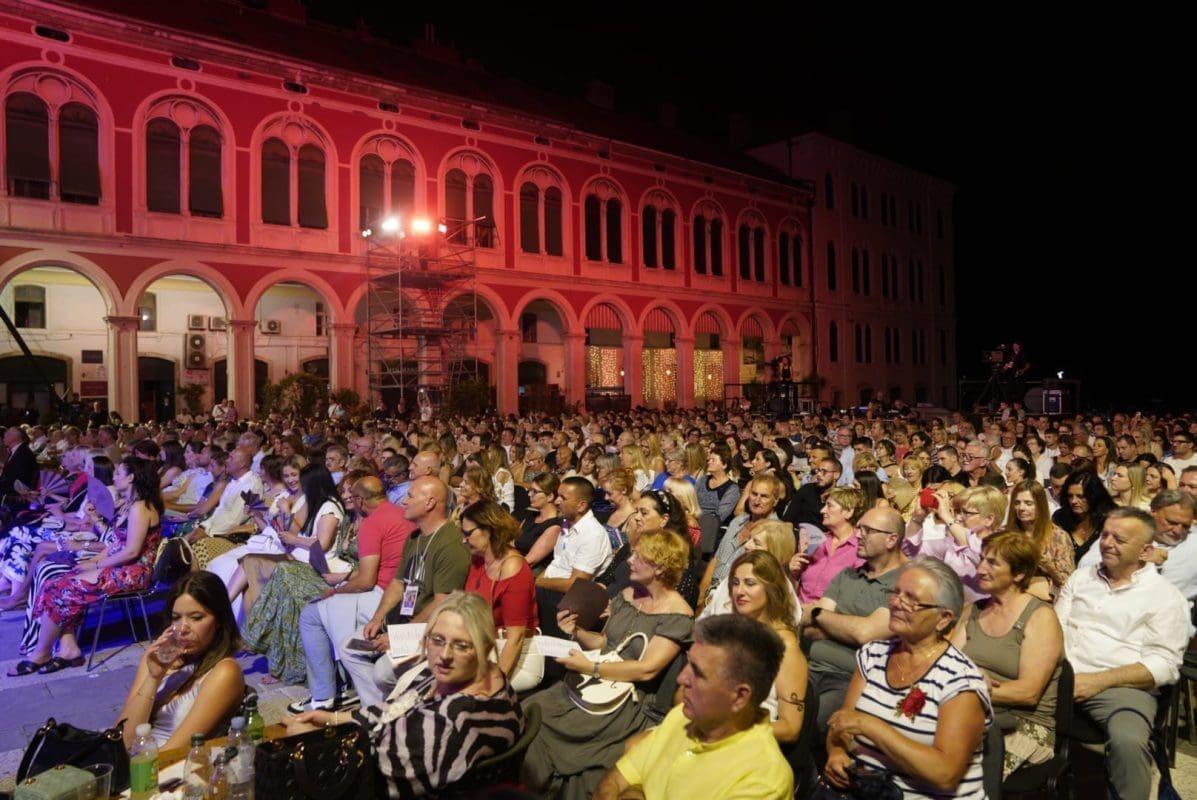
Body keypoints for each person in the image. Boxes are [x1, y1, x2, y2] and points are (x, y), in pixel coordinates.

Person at [284, 591, 523, 798]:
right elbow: (397, 707)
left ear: (485, 647)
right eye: (437, 640)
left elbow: (366, 777)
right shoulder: (483, 676)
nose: (445, 655)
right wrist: (335, 719)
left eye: (461, 645)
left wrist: (314, 744)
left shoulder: (446, 723)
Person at [522, 529, 694, 800]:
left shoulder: (678, 615)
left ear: (660, 567)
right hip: (596, 683)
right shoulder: (628, 593)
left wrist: (590, 668)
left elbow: (647, 669)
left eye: (639, 557)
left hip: (626, 701)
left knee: (556, 731)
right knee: (533, 708)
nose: (629, 561)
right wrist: (577, 632)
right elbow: (606, 643)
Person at [825, 557, 992, 799]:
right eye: (895, 593)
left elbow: (945, 774)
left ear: (943, 618)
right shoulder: (873, 655)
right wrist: (837, 753)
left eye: (911, 600)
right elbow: (843, 723)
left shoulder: (960, 681)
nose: (895, 603)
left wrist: (870, 726)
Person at [1055, 508, 1189, 800]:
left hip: (1120, 686)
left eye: (1119, 539)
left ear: (1145, 551)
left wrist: (1099, 681)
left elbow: (1164, 664)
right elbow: (1057, 627)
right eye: (1105, 535)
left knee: (1128, 740)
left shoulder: (1165, 597)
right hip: (1061, 674)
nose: (1106, 543)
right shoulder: (1082, 577)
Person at [594, 614, 793, 800]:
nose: (681, 678)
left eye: (698, 673)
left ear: (740, 696)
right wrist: (636, 792)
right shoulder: (681, 718)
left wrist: (635, 790)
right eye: (688, 664)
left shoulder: (763, 781)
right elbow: (613, 781)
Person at [11, 457, 162, 675]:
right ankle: (68, 647)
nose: (114, 477)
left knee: (61, 588)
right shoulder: (129, 505)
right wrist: (92, 561)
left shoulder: (141, 507)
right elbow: (116, 545)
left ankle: (41, 653)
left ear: (131, 478)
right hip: (121, 565)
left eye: (119, 473)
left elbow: (131, 551)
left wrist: (96, 564)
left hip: (133, 572)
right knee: (53, 582)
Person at [954, 531, 1063, 778]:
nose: (980, 569)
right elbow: (947, 663)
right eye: (982, 559)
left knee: (957, 772)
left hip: (1022, 724)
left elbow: (1028, 693)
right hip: (970, 711)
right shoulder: (973, 610)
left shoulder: (1040, 617)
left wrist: (969, 689)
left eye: (992, 563)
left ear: (1019, 573)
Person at [803, 506, 907, 731]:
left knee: (810, 723)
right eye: (859, 528)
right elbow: (809, 627)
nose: (858, 535)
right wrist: (846, 626)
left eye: (868, 530)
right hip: (810, 667)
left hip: (851, 679)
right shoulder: (847, 575)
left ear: (891, 540)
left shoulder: (903, 584)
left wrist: (820, 614)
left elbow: (865, 634)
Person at [116, 572, 244, 748]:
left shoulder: (224, 671)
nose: (183, 628)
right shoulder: (156, 660)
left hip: (168, 761)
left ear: (219, 620)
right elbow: (122, 739)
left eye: (196, 618)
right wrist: (153, 678)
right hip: (133, 758)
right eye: (176, 618)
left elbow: (176, 751)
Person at [724, 550, 808, 744]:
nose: (739, 591)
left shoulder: (784, 646)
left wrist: (735, 728)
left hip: (747, 742)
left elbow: (790, 728)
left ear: (771, 589)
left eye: (750, 583)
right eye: (735, 583)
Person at [460, 500, 538, 686]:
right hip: (481, 646)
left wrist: (496, 683)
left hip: (511, 657)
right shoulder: (478, 560)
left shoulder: (513, 568)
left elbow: (516, 638)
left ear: (489, 530)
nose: (464, 540)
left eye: (468, 534)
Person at [905, 485, 1006, 603]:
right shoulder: (951, 544)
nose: (958, 517)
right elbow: (909, 552)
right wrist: (917, 519)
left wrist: (947, 517)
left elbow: (976, 552)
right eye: (958, 511)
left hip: (984, 611)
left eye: (966, 513)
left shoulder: (1002, 546)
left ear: (989, 519)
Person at [792, 485, 867, 605]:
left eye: (829, 506)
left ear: (848, 512)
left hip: (829, 614)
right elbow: (795, 587)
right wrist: (794, 574)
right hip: (798, 608)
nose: (822, 511)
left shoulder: (860, 548)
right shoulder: (817, 540)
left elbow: (855, 597)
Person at [1007, 479, 1075, 601]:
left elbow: (1068, 582)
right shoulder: (1005, 535)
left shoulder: (1058, 536)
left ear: (1040, 505)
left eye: (1028, 503)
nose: (1021, 508)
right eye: (1017, 503)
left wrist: (1048, 566)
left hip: (1045, 599)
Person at [1050, 470, 1116, 565]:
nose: (1073, 501)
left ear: (1094, 496)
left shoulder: (1109, 520)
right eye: (1070, 496)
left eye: (1080, 496)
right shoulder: (1060, 517)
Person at [515, 471, 564, 568]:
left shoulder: (554, 527)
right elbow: (512, 543)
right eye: (530, 490)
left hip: (528, 570)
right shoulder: (530, 516)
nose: (529, 494)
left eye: (535, 491)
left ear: (550, 496)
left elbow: (530, 561)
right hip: (513, 562)